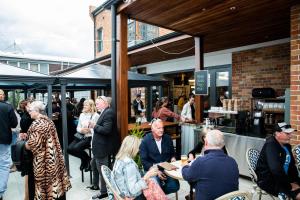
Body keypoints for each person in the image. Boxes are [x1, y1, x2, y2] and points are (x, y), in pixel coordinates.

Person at [19, 100, 71, 200]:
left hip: (44, 163)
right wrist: (28, 136)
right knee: (55, 187)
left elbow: (33, 145)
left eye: (30, 110)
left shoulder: (38, 124)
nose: (29, 112)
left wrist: (22, 144)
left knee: (45, 191)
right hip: (53, 159)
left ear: (37, 111)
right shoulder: (48, 120)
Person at [182, 130, 239, 200]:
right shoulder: (233, 162)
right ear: (222, 144)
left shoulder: (201, 162)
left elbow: (187, 176)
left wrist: (185, 166)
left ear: (206, 143)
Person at [255, 122, 300, 199]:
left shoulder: (287, 146)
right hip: (270, 181)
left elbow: (291, 166)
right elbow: (276, 170)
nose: (291, 136)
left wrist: (296, 180)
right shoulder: (271, 145)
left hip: (284, 178)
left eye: (290, 133)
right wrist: (289, 186)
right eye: (287, 133)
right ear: (277, 133)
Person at [113, 135, 161, 200]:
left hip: (121, 194)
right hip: (132, 197)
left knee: (152, 181)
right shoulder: (128, 164)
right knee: (154, 183)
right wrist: (147, 176)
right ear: (132, 148)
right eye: (138, 147)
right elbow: (133, 190)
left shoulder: (119, 158)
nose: (138, 150)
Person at [89, 96, 118, 199]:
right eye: (96, 103)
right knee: (96, 166)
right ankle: (102, 189)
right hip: (101, 147)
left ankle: (104, 192)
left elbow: (106, 130)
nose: (96, 105)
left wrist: (94, 126)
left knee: (103, 171)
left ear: (105, 103)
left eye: (98, 103)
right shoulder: (105, 111)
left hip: (103, 148)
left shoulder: (108, 112)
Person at [139, 119, 180, 195]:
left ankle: (157, 195)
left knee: (175, 186)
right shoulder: (145, 141)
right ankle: (157, 194)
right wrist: (156, 171)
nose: (161, 130)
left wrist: (173, 158)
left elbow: (173, 153)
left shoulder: (167, 138)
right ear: (152, 129)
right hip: (152, 169)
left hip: (166, 169)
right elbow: (144, 161)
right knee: (156, 184)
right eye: (158, 128)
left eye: (162, 128)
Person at [67, 99, 99, 172]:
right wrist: (81, 130)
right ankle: (87, 159)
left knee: (76, 148)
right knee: (69, 149)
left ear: (91, 106)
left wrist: (90, 130)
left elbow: (98, 128)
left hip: (89, 137)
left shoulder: (96, 115)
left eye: (86, 105)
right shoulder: (82, 115)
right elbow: (78, 127)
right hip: (80, 136)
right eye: (84, 105)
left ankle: (85, 161)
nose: (84, 106)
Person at [0, 89, 18, 200]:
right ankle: (0, 192)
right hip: (3, 140)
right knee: (3, 165)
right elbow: (14, 123)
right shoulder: (8, 107)